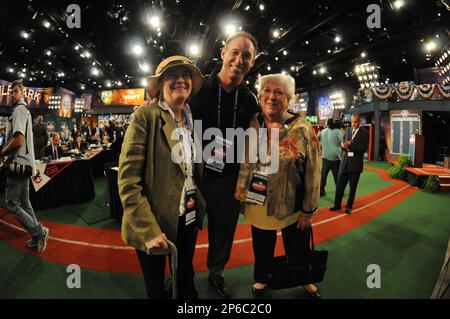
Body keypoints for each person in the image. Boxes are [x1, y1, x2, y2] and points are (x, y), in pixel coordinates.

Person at [118, 55, 206, 299]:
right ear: (159, 85)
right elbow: (128, 182)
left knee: (185, 277)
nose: (180, 80)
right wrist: (148, 231)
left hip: (186, 217)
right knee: (156, 287)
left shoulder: (190, 118)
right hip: (153, 221)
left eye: (185, 75)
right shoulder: (145, 116)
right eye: (172, 75)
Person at [234, 73, 321, 298]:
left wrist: (308, 211)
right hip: (257, 199)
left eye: (279, 92)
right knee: (262, 245)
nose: (271, 96)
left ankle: (305, 278)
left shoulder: (302, 128)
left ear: (289, 99)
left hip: (292, 201)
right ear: (260, 95)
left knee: (297, 245)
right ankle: (261, 278)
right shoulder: (252, 123)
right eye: (267, 91)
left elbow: (313, 172)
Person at [189, 31, 259, 298]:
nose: (239, 60)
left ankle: (216, 274)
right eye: (235, 52)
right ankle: (181, 274)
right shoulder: (197, 89)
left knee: (224, 231)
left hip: (228, 179)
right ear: (223, 54)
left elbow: (253, 142)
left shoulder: (250, 99)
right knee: (185, 230)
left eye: (246, 56)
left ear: (252, 63)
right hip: (194, 176)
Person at [0, 80, 49, 252]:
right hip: (25, 164)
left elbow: (18, 140)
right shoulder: (24, 110)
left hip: (18, 164)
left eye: (15, 91)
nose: (12, 94)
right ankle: (37, 236)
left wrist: (2, 153)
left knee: (12, 205)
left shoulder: (19, 110)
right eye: (11, 92)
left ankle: (39, 232)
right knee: (25, 203)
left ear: (22, 92)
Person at [329, 113, 369, 214]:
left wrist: (350, 145)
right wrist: (343, 144)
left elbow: (363, 149)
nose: (353, 124)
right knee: (339, 186)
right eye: (352, 122)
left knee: (352, 188)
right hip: (345, 162)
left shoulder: (365, 133)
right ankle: (337, 204)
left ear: (359, 121)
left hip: (355, 165)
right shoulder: (347, 130)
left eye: (355, 122)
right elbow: (343, 142)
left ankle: (348, 206)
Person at [318, 118, 344, 196]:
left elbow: (316, 139)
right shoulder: (338, 132)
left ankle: (321, 192)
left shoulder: (323, 131)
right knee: (337, 177)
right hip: (336, 158)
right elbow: (344, 142)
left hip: (325, 157)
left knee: (323, 176)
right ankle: (339, 192)